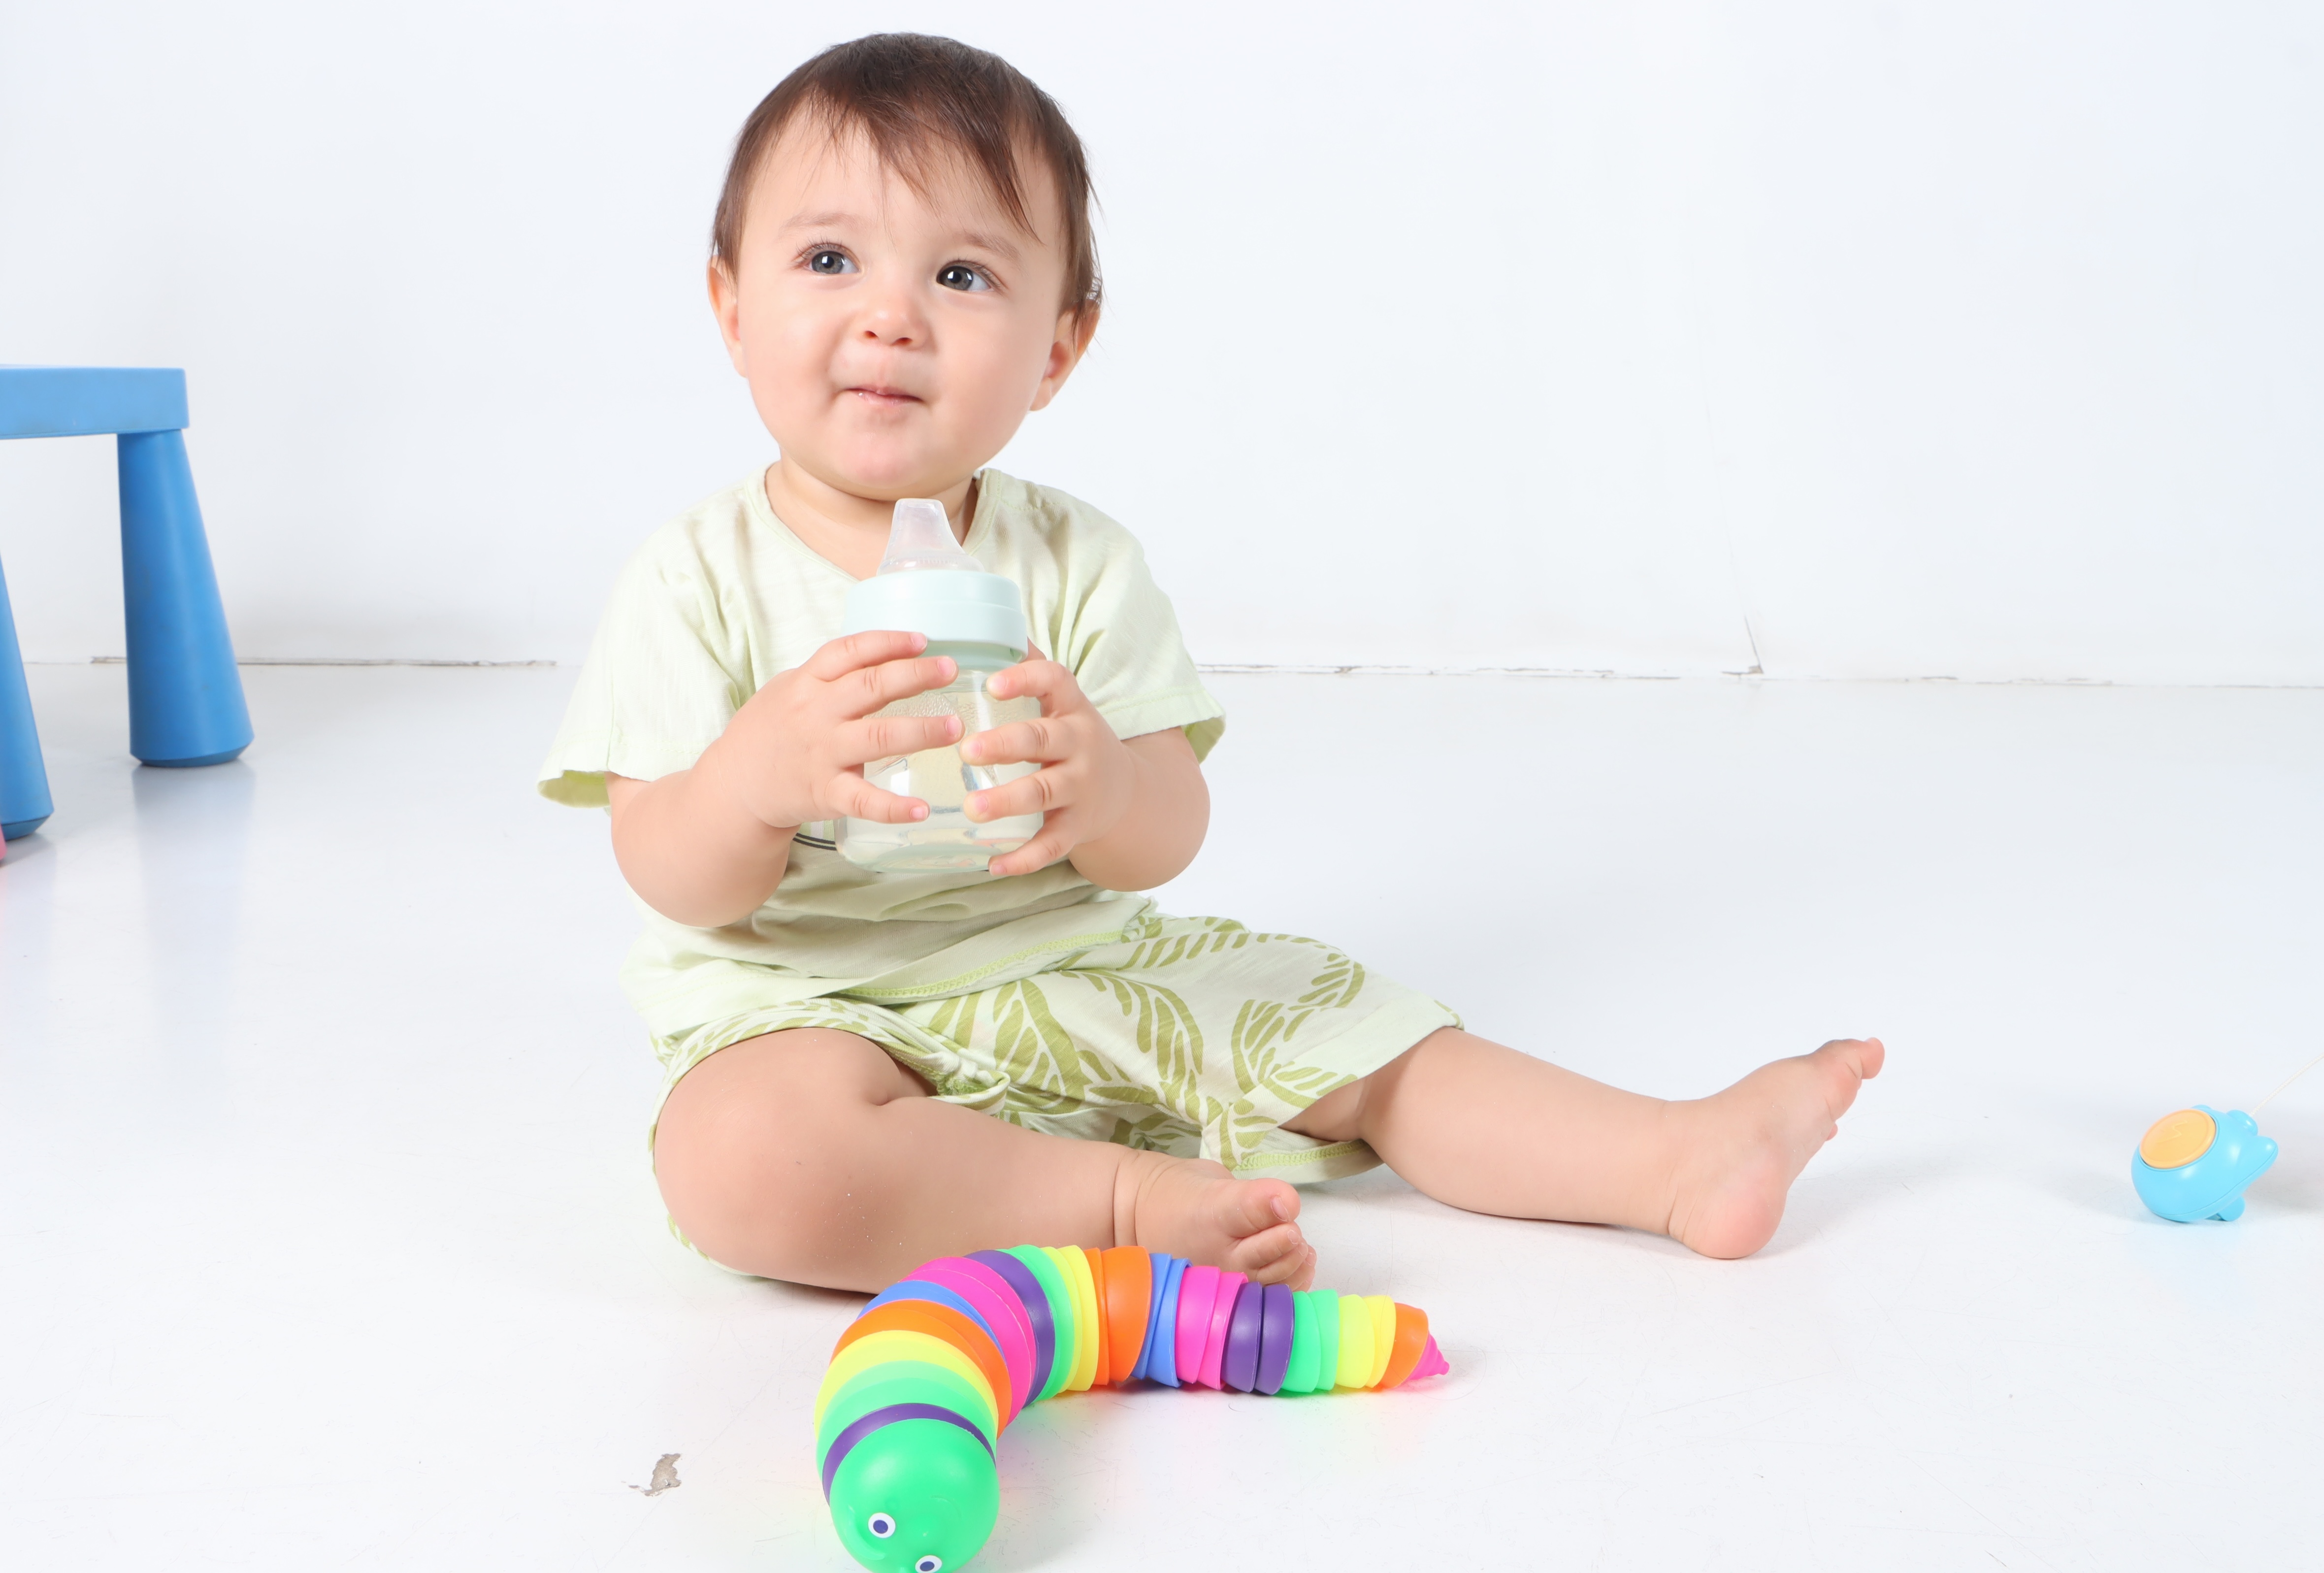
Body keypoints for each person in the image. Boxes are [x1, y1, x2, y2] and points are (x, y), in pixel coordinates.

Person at [538, 33, 1882, 1295]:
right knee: (746, 1157)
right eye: (830, 259)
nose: (891, 317)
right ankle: (1123, 1205)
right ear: (731, 308)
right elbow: (672, 872)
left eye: (962, 277)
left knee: (1367, 1041)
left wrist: (1107, 787)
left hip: (1076, 970)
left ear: (1057, 348)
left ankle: (1673, 1158)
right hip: (815, 1011)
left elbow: (1166, 832)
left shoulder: (1076, 564)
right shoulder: (693, 577)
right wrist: (754, 780)